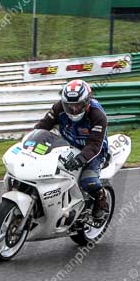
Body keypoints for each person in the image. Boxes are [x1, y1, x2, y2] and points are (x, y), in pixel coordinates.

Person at [34, 79, 110, 219]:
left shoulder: (98, 116)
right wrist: (31, 142)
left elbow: (94, 145)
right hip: (67, 144)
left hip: (94, 151)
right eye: (70, 106)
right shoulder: (59, 108)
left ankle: (101, 196)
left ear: (87, 102)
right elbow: (43, 126)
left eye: (78, 105)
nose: (74, 110)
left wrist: (80, 159)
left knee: (88, 181)